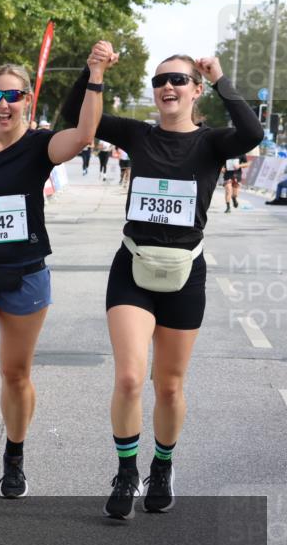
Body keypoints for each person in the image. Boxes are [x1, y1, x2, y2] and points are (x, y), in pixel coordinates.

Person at [61, 55, 263, 520]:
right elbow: (78, 113)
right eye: (159, 80)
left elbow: (251, 133)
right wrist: (95, 71)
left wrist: (219, 78)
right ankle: (127, 471)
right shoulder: (137, 134)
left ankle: (163, 466)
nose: (167, 86)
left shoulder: (213, 143)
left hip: (184, 272)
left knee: (169, 386)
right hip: (133, 264)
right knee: (131, 377)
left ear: (195, 91)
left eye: (178, 80)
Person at [0, 41, 114, 504]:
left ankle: (14, 458)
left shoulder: (40, 146)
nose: (3, 103)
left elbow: (85, 134)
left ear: (25, 102)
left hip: (26, 274)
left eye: (13, 96)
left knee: (15, 374)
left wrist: (94, 75)